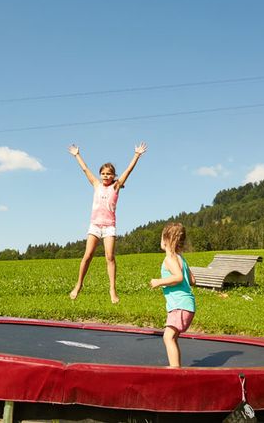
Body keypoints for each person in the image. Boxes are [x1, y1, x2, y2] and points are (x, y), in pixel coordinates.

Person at [68, 142, 147, 303]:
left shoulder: (116, 187)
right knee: (88, 255)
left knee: (110, 256)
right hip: (95, 226)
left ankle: (112, 289)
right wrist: (77, 155)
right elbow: (85, 169)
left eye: (109, 174)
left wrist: (137, 155)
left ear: (113, 176)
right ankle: (78, 285)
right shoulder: (96, 185)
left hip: (109, 226)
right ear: (100, 175)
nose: (106, 176)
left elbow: (128, 170)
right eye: (103, 173)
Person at [150, 223, 196, 367]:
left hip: (179, 306)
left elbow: (178, 277)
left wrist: (159, 282)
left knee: (168, 337)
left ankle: (175, 369)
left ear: (166, 239)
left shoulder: (169, 259)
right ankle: (177, 367)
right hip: (188, 306)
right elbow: (192, 280)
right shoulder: (181, 258)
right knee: (173, 338)